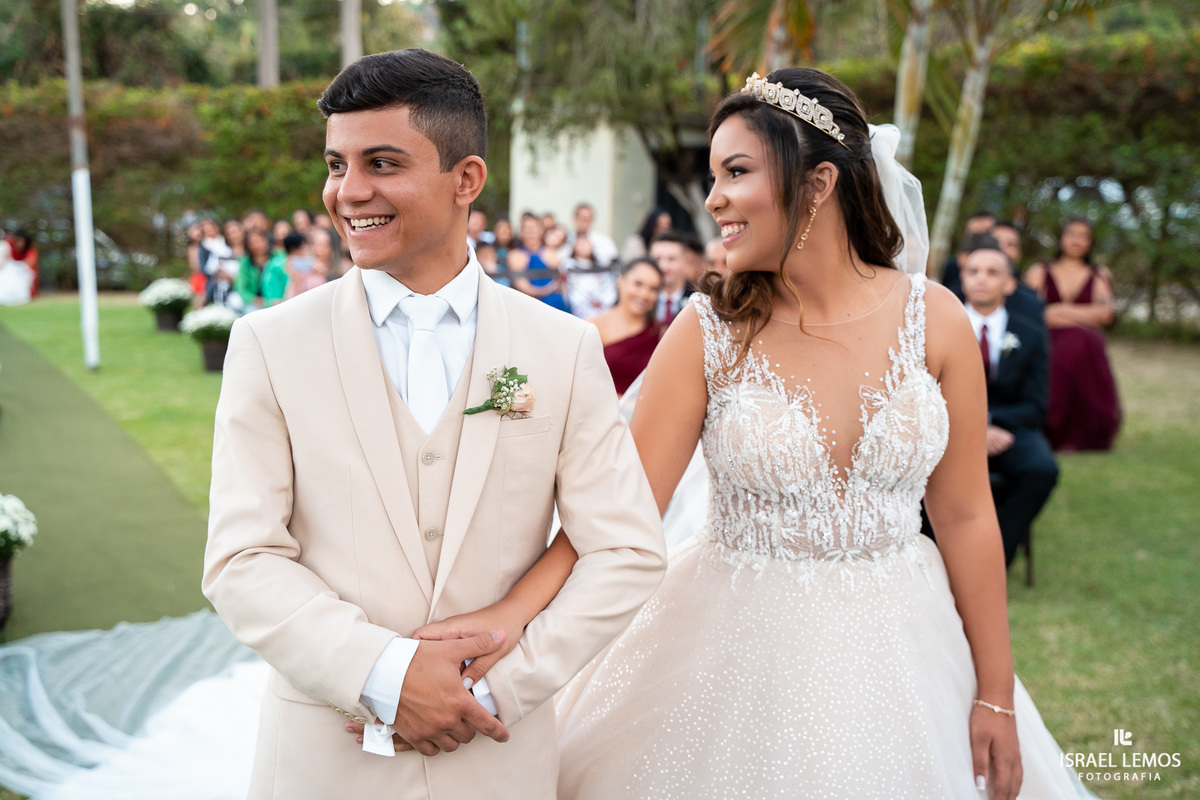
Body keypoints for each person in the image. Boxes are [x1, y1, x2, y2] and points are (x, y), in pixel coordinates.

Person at [401, 68, 1098, 799]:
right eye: (713, 175)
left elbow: (964, 515)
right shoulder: (708, 333)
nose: (713, 200)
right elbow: (619, 517)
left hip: (908, 647)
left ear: (819, 183)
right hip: (727, 647)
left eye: (736, 172)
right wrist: (508, 619)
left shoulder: (938, 318)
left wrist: (994, 693)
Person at [202, 48, 665, 800]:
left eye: (381, 163)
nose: (348, 192)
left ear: (466, 180)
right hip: (325, 760)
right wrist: (383, 676)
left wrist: (490, 692)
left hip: (497, 760)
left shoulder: (561, 346)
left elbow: (628, 549)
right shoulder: (269, 345)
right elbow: (241, 559)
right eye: (336, 164)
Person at [960, 237, 1058, 568]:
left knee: (1042, 470)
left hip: (1010, 429)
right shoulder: (938, 327)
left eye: (992, 271)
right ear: (963, 278)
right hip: (952, 430)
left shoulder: (1030, 334)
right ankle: (944, 553)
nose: (981, 278)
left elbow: (1036, 405)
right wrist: (977, 427)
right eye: (973, 271)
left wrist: (990, 423)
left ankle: (994, 556)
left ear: (1010, 283)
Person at [1023, 217, 1121, 451]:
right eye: (1071, 234)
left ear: (1090, 242)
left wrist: (1062, 310)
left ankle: (1080, 433)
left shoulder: (1099, 274)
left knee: (1083, 340)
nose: (1077, 240)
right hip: (1049, 341)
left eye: (1083, 236)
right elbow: (1031, 312)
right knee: (1069, 349)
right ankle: (1050, 428)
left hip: (1087, 347)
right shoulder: (1040, 271)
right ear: (1061, 238)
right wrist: (1085, 314)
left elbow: (1106, 313)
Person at [588, 258, 663, 395]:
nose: (644, 294)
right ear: (621, 282)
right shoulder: (593, 326)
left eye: (653, 289)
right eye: (638, 284)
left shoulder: (661, 333)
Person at [235, 227, 289, 310]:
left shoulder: (279, 255)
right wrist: (255, 300)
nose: (258, 245)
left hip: (280, 299)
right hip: (256, 303)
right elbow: (242, 289)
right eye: (253, 243)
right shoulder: (245, 263)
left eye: (260, 241)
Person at [648, 231, 693, 325]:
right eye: (657, 259)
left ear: (685, 261)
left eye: (671, 259)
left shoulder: (697, 300)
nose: (664, 266)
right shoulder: (642, 298)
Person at [565, 203, 619, 267]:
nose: (583, 223)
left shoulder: (604, 241)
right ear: (574, 219)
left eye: (586, 220)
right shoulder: (564, 240)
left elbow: (614, 263)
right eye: (581, 218)